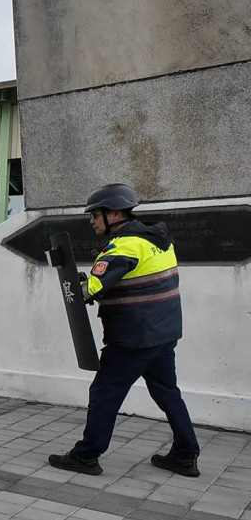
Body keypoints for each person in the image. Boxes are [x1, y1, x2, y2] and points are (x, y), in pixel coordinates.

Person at [48, 183, 200, 477]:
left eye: (95, 215)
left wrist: (75, 281)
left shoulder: (125, 244)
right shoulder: (159, 240)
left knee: (105, 394)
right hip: (163, 335)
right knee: (168, 393)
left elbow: (91, 289)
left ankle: (86, 456)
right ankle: (185, 454)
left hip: (132, 338)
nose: (92, 221)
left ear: (114, 213)